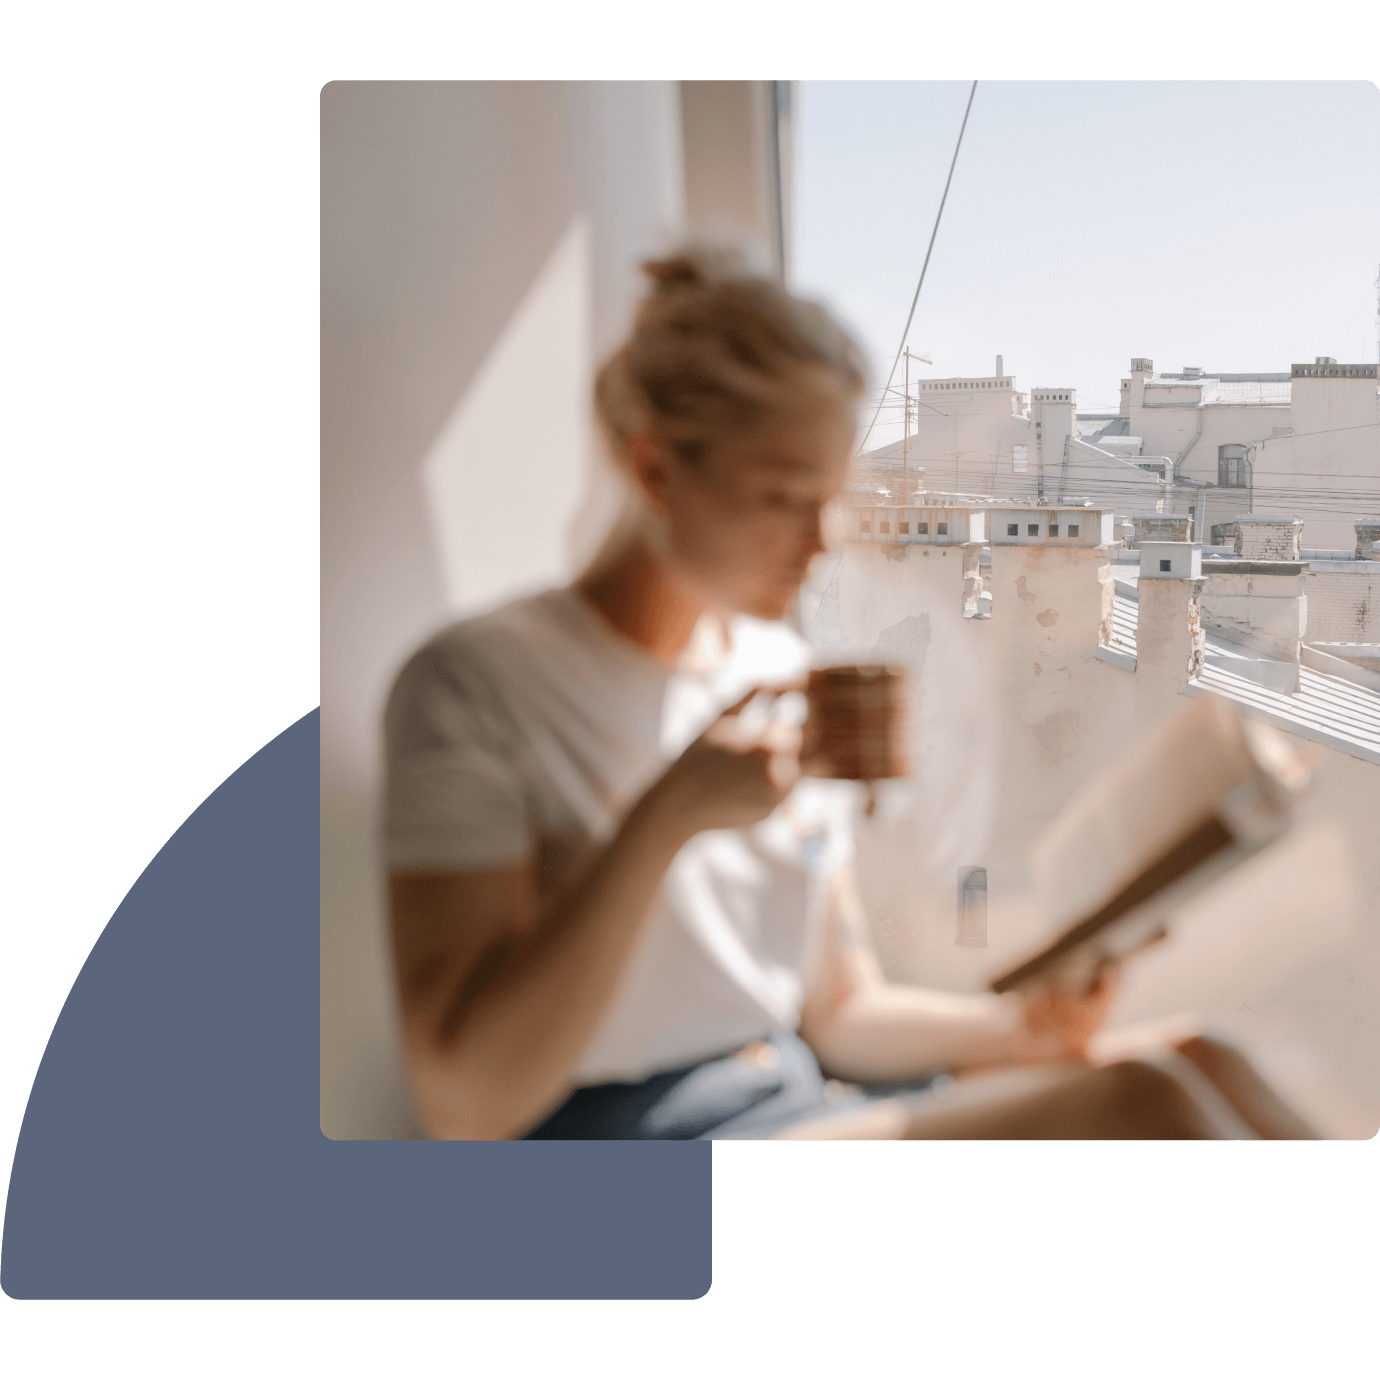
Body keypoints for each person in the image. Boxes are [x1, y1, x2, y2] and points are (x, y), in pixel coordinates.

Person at [380, 248, 1317, 1142]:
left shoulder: (771, 670)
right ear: (655, 469)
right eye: (784, 497)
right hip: (618, 1149)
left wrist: (1019, 1034)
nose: (821, 540)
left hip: (790, 1098)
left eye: (830, 496)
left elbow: (839, 1009)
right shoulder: (476, 684)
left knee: (1216, 1059)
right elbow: (464, 1103)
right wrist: (665, 818)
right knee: (1144, 1108)